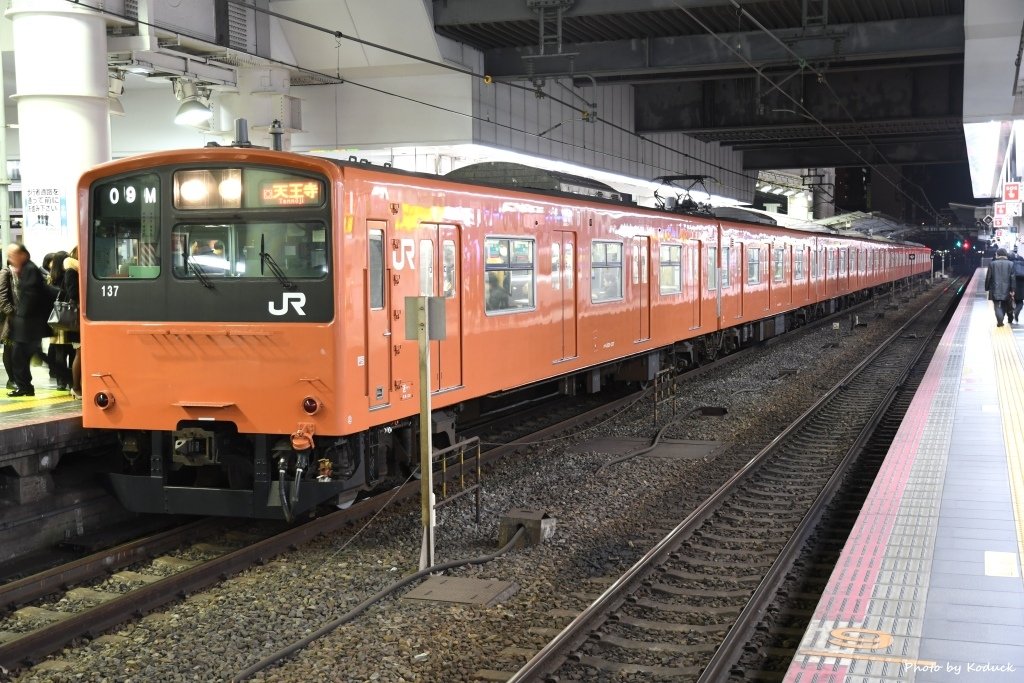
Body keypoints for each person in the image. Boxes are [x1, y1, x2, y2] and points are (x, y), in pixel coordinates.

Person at [5, 244, 57, 396]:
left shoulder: (30, 269)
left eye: (12, 255)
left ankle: (26, 386)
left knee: (20, 356)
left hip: (28, 325)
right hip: (28, 325)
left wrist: (19, 318)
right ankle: (26, 387)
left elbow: (31, 297)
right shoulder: (27, 269)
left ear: (22, 254)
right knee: (24, 356)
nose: (10, 259)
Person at [47, 250, 74, 390]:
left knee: (60, 353)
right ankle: (72, 380)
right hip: (69, 318)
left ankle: (61, 381)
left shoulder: (50, 278)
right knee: (72, 352)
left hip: (57, 320)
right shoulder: (68, 275)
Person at [63, 248, 82, 398]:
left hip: (78, 318)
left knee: (80, 353)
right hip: (76, 320)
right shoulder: (72, 270)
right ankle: (76, 387)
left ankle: (78, 386)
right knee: (79, 353)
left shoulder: (76, 269)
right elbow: (73, 294)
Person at [985, 247, 1014, 328]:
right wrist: (1013, 289)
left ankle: (1000, 321)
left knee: (997, 305)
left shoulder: (992, 264)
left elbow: (988, 277)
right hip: (1007, 289)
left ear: (997, 254)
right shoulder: (1011, 264)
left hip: (994, 288)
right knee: (1004, 304)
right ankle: (1001, 319)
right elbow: (1012, 278)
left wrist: (986, 287)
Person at [0, 257, 15, 389]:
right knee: (9, 348)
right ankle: (11, 379)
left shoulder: (19, 274)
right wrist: (11, 312)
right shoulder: (6, 272)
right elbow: (2, 296)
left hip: (19, 317)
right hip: (9, 318)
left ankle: (16, 379)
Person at [1011, 248, 1024, 324]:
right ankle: (1016, 312)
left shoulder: (1012, 264)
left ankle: (1014, 312)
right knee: (1020, 302)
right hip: (1022, 286)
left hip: (1013, 285)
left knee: (1014, 300)